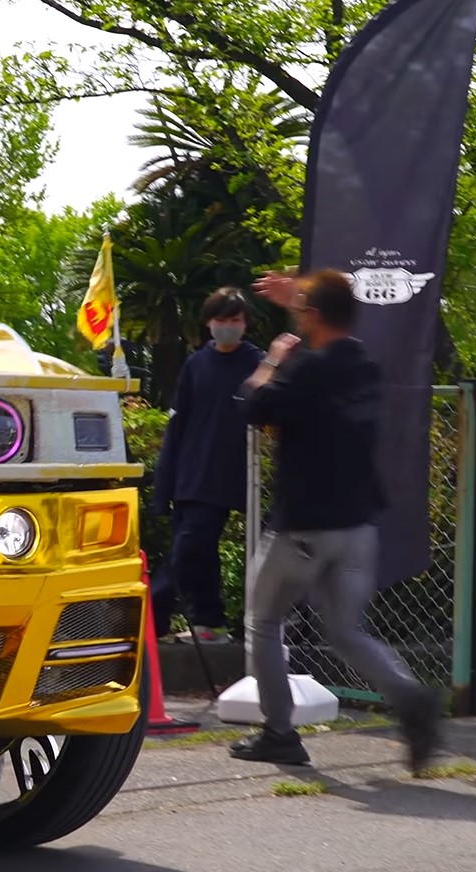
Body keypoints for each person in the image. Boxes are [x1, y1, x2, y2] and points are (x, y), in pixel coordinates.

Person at [231, 269, 443, 770]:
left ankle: (279, 733)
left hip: (303, 526)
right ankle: (411, 698)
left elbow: (255, 404)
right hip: (358, 526)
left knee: (263, 622)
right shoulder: (364, 365)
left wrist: (271, 359)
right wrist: (299, 300)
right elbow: (320, 342)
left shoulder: (308, 370)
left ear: (314, 317)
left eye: (303, 310)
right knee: (347, 631)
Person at [150, 287, 265, 643]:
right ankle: (209, 622)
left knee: (189, 548)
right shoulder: (196, 364)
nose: (227, 326)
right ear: (208, 322)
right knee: (197, 551)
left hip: (227, 474)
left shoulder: (257, 364)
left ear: (245, 323)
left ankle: (152, 615)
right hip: (190, 475)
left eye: (235, 320)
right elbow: (178, 425)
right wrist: (164, 485)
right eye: (221, 319)